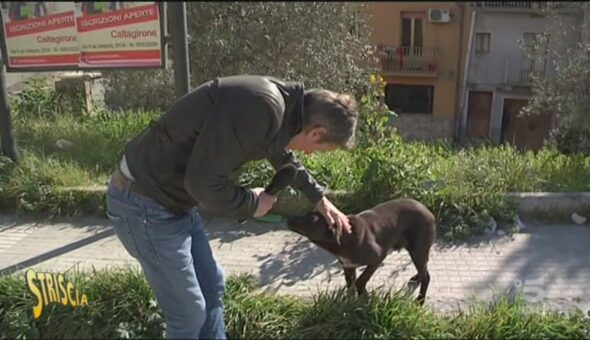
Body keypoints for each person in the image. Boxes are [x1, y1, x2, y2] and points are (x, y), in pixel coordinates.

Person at [105, 75, 358, 339]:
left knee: (212, 287)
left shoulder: (281, 109)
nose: (310, 154)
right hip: (144, 204)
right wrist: (252, 203)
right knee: (188, 313)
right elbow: (202, 183)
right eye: (318, 150)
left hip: (171, 202)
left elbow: (284, 157)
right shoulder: (262, 108)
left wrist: (319, 199)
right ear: (316, 133)